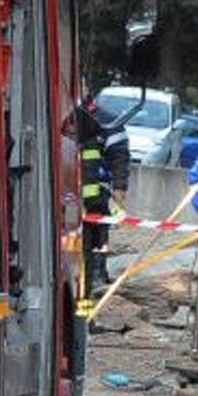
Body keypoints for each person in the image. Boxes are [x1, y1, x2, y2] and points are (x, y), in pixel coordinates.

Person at [77, 95, 132, 293]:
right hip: (66, 196)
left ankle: (97, 277)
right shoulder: (61, 114)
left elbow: (119, 156)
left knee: (98, 238)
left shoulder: (107, 120)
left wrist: (120, 186)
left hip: (95, 198)